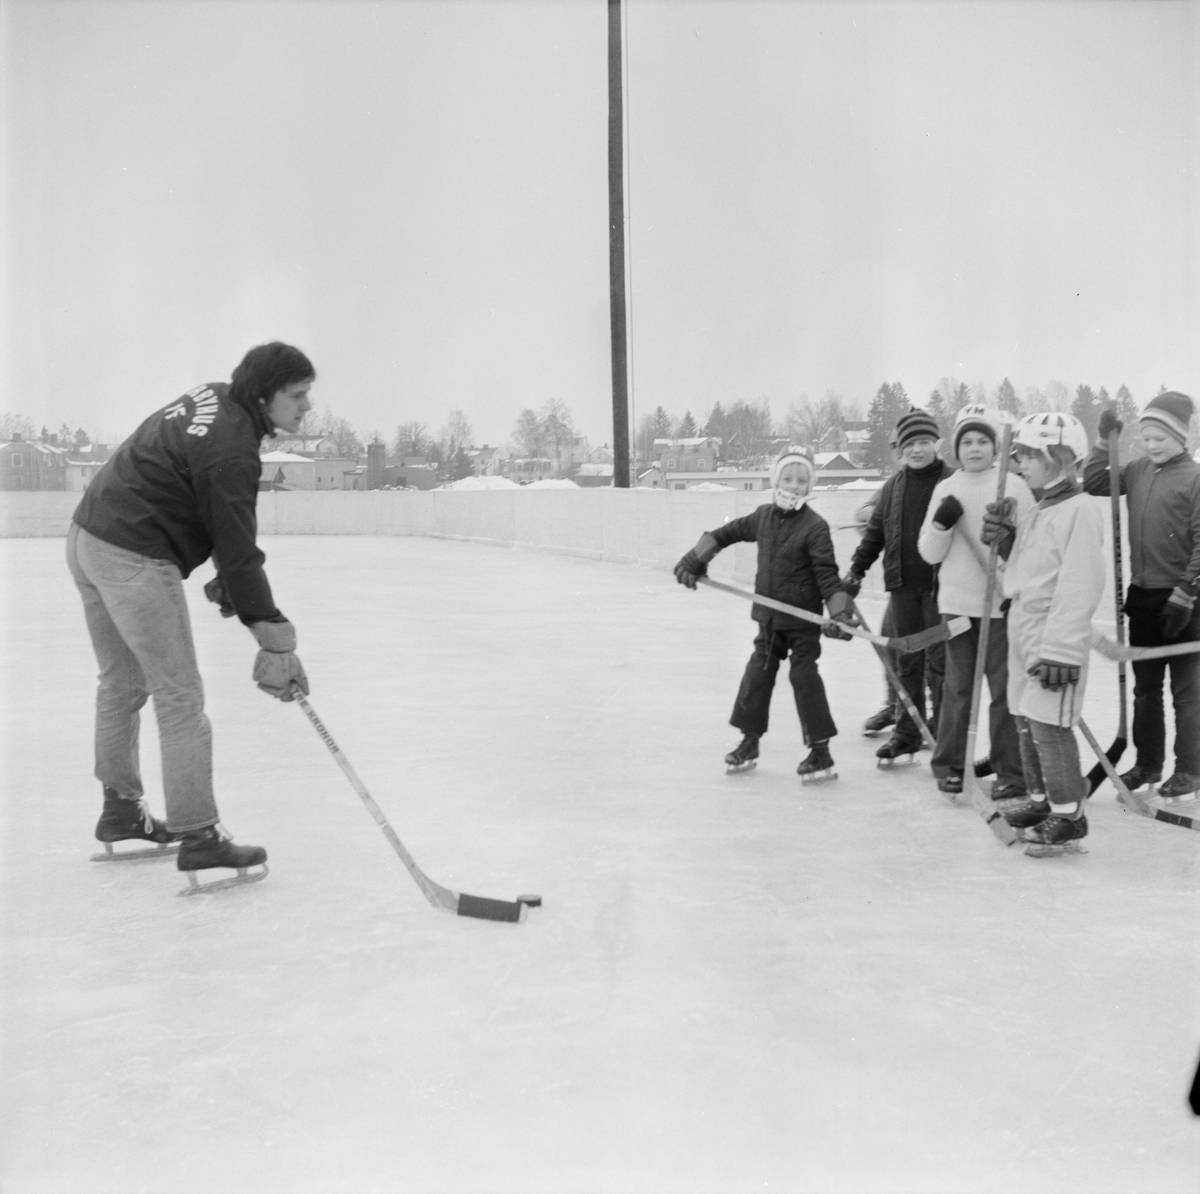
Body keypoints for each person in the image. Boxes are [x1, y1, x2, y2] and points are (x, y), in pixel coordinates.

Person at [67, 341, 314, 890]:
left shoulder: (215, 398)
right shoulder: (233, 447)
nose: (305, 407)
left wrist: (229, 573)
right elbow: (238, 545)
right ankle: (200, 836)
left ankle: (122, 811)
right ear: (264, 394)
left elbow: (187, 490)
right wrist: (272, 637)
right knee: (179, 695)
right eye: (296, 396)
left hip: (87, 538)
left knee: (121, 683)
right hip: (132, 553)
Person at [674, 449, 854, 780]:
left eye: (802, 480)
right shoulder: (763, 517)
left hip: (802, 622)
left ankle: (820, 750)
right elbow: (725, 534)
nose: (794, 486)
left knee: (804, 677)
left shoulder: (815, 526)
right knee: (757, 675)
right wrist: (696, 557)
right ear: (775, 481)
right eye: (787, 478)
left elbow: (827, 576)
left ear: (810, 485)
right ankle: (749, 741)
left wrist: (840, 612)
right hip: (770, 619)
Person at [982, 412, 1105, 855]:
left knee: (1050, 726)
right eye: (1018, 456)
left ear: (1059, 457)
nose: (1020, 464)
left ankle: (1070, 816)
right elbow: (1021, 574)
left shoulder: (1081, 510)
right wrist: (1007, 540)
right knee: (1025, 719)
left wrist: (1061, 650)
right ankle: (1041, 802)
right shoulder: (1038, 508)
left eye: (1029, 455)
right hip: (1023, 626)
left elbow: (1080, 585)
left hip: (1056, 636)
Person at [1082, 391, 1200, 802]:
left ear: (1182, 436)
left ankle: (1189, 769)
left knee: (1186, 693)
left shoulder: (1196, 478)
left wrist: (1186, 592)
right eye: (1146, 437)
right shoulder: (1137, 470)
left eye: (1161, 437)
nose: (1152, 445)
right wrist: (1103, 442)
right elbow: (1095, 481)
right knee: (1145, 691)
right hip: (1144, 598)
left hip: (1187, 602)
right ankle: (1148, 764)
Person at [917, 406, 1034, 798]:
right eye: (967, 441)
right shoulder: (946, 488)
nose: (975, 448)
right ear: (956, 448)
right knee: (958, 689)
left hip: (1001, 607)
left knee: (1005, 691)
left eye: (983, 440)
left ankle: (1010, 772)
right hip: (957, 608)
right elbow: (930, 555)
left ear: (995, 446)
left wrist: (1009, 538)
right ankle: (950, 764)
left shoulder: (1013, 487)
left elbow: (1032, 551)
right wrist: (940, 524)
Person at [843, 407, 953, 762]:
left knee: (940, 664)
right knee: (907, 661)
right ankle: (906, 733)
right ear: (901, 448)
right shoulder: (893, 487)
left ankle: (940, 732)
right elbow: (874, 536)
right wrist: (855, 573)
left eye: (924, 441)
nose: (917, 450)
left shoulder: (951, 481)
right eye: (910, 443)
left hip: (941, 591)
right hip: (903, 588)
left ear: (936, 443)